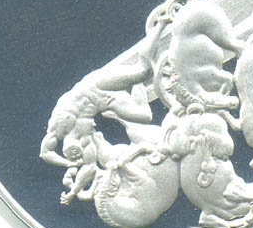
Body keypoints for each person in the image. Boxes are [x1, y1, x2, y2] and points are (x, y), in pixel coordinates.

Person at [39, 14, 170, 204]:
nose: (75, 154)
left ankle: (161, 24)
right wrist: (73, 190)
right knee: (144, 116)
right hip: (105, 101)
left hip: (94, 86)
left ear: (63, 148)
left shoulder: (58, 127)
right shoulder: (87, 143)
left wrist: (65, 162)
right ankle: (139, 83)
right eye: (75, 157)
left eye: (70, 154)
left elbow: (45, 153)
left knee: (142, 71)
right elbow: (90, 168)